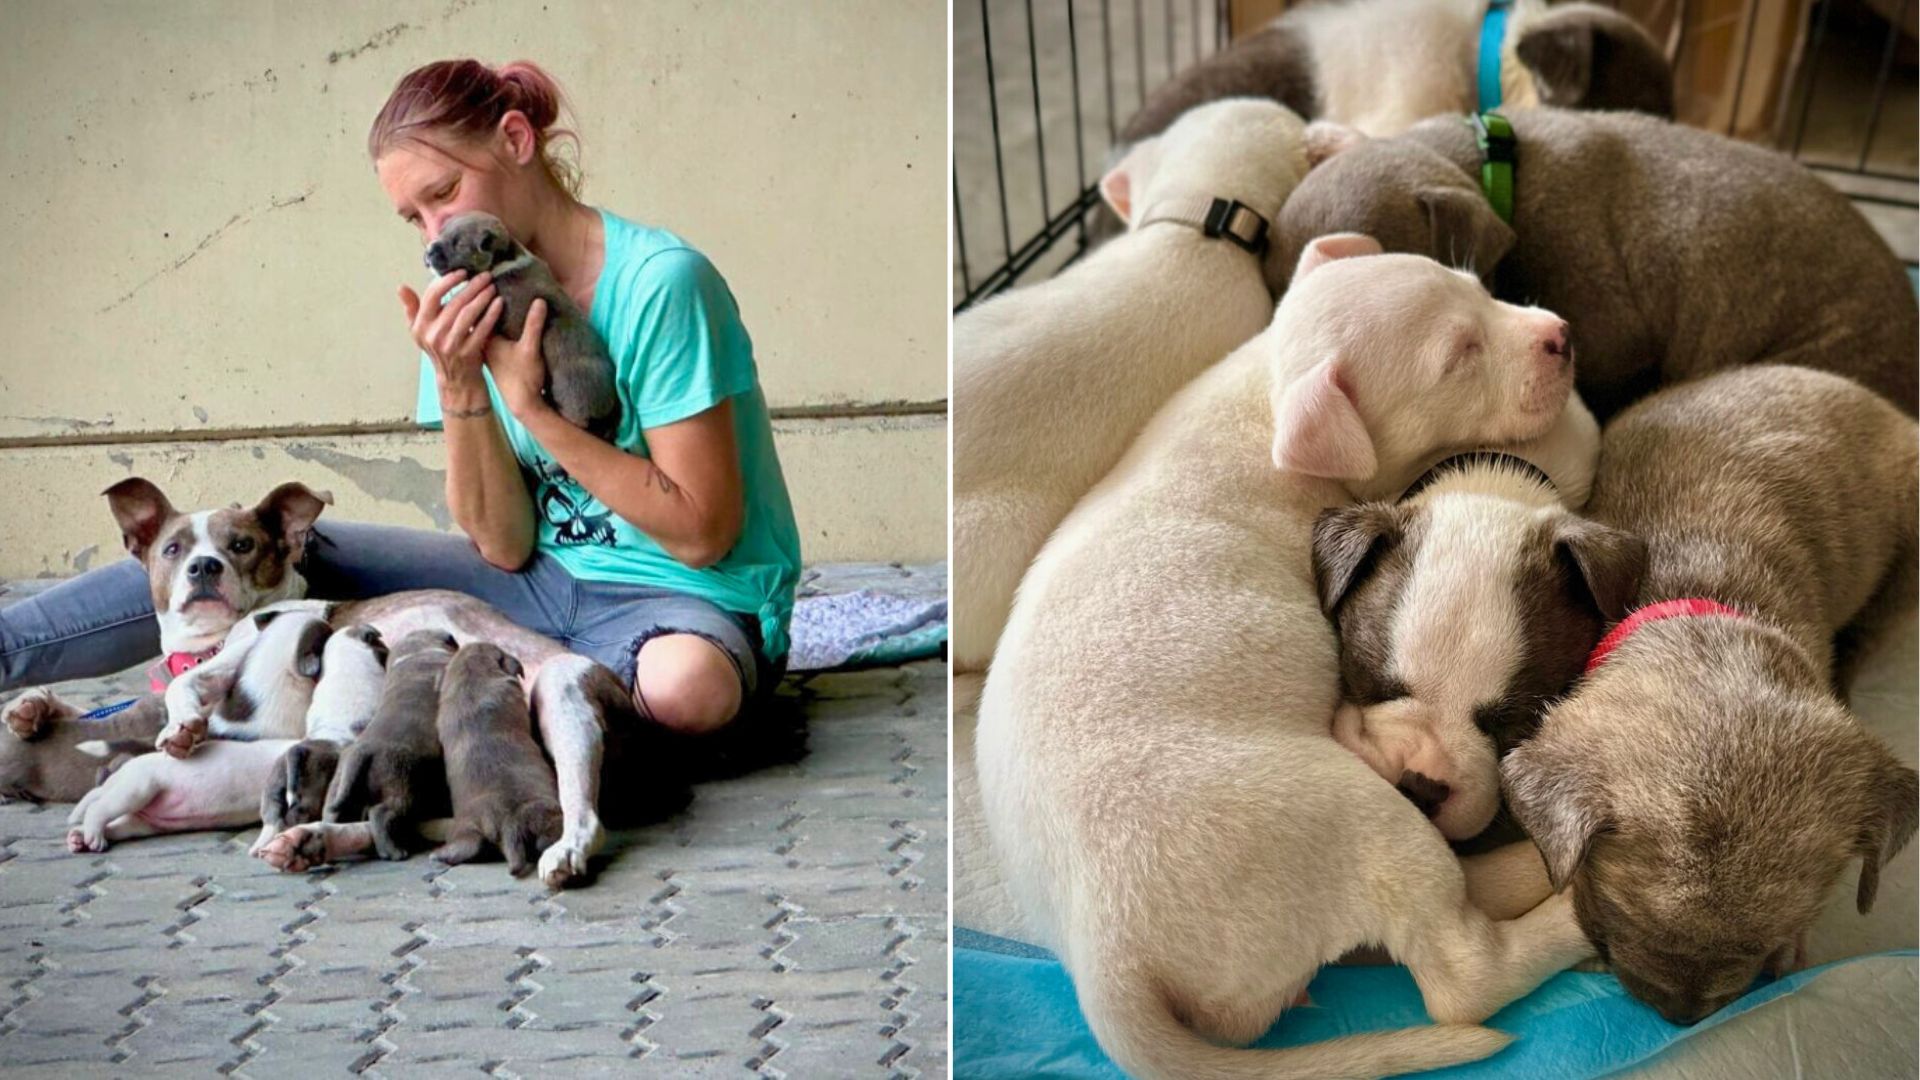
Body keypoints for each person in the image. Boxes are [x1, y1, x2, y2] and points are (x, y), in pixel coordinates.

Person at [0, 59, 802, 737]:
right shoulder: (465, 293)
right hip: (538, 582)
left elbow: (702, 533)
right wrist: (462, 387)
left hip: (683, 594)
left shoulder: (660, 283)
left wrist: (534, 412)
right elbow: (506, 547)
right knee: (249, 545)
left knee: (687, 689)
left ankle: (467, 699)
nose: (431, 233)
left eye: (445, 193)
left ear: (517, 142)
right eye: (412, 216)